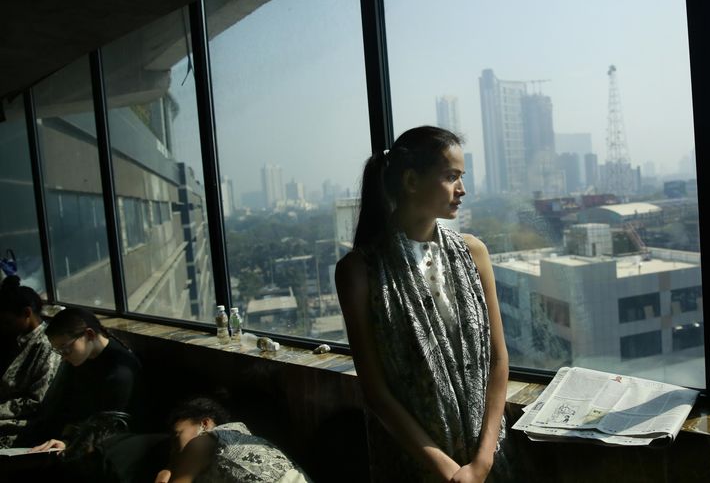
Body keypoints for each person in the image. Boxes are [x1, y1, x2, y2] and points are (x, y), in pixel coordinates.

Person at [335, 126, 509, 482]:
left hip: (488, 458)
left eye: (461, 177)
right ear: (412, 181)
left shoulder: (473, 253)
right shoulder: (360, 271)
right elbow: (376, 390)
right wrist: (446, 469)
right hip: (413, 466)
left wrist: (482, 462)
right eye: (451, 177)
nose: (462, 190)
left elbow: (498, 358)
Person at [26, 306, 142, 453]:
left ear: (90, 334)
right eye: (58, 351)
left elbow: (107, 426)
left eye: (66, 349)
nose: (63, 356)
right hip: (81, 435)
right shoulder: (82, 358)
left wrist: (68, 442)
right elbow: (70, 404)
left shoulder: (121, 372)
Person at [155, 397, 311, 483]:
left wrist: (163, 475)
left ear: (204, 423)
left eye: (177, 437)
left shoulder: (201, 442)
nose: (173, 450)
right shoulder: (239, 436)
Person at [0, 276, 61, 448]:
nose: (3, 327)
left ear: (27, 314)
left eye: (7, 322)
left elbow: (36, 401)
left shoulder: (48, 346)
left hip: (23, 425)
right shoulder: (18, 339)